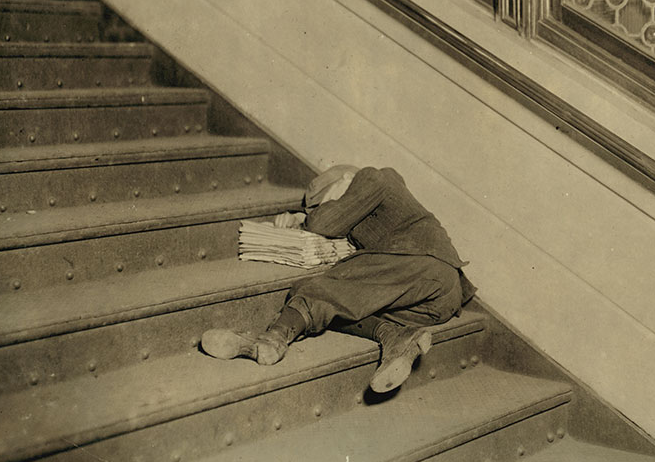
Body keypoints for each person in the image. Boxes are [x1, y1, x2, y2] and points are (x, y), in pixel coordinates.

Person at [201, 165, 476, 392]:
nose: (327, 207)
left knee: (318, 291)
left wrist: (303, 219)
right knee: (344, 309)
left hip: (422, 264)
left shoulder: (373, 177)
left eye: (327, 201)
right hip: (436, 303)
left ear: (346, 179)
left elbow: (324, 223)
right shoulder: (380, 210)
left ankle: (271, 340)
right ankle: (394, 337)